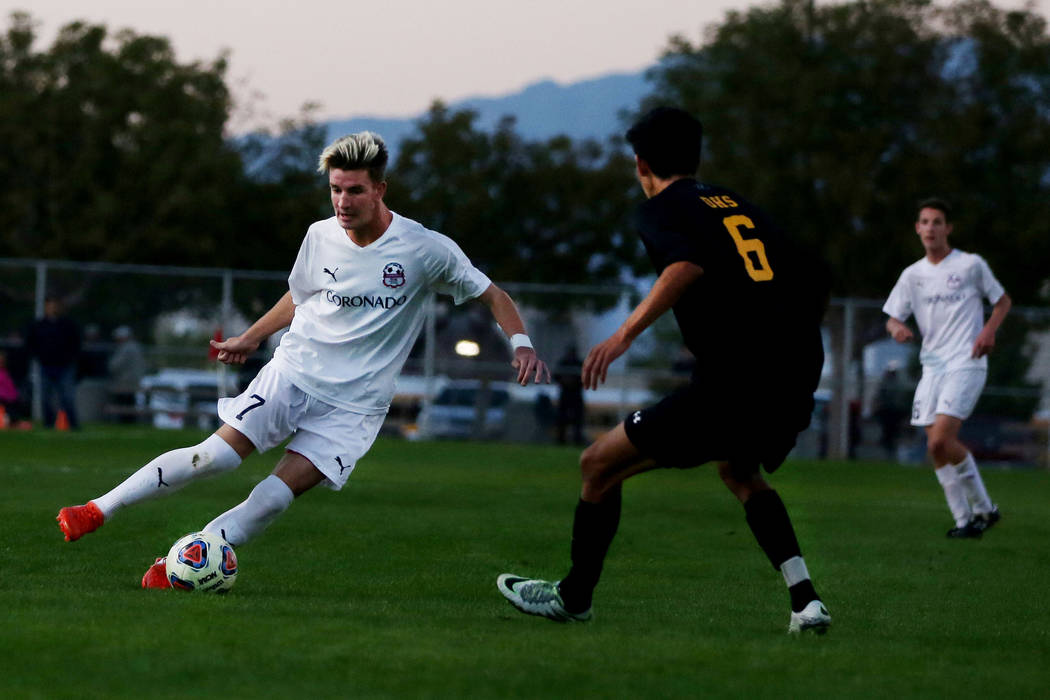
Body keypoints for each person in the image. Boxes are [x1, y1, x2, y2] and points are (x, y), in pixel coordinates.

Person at [56, 131, 551, 589]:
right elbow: (299, 296)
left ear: (380, 189)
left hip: (356, 407)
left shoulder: (425, 249)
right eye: (335, 189)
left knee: (273, 498)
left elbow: (494, 295)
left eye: (354, 190)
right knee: (213, 457)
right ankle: (96, 509)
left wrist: (521, 344)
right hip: (293, 375)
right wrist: (251, 337)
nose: (342, 202)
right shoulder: (320, 236)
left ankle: (181, 562)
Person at [497, 107, 831, 634]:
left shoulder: (660, 209)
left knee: (596, 465)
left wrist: (622, 335)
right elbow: (813, 275)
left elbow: (685, 265)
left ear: (641, 163)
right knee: (739, 470)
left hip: (736, 378)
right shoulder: (738, 204)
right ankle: (805, 600)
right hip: (796, 368)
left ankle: (574, 597)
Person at [883, 198, 1010, 539]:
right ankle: (966, 519)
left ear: (948, 228)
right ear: (917, 228)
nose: (931, 228)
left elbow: (1002, 301)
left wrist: (988, 331)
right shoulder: (913, 275)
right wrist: (896, 328)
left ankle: (982, 509)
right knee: (935, 447)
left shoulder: (970, 265)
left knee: (941, 439)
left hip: (966, 362)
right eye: (925, 222)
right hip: (933, 367)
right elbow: (893, 316)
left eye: (937, 222)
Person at [26, 296, 81, 429]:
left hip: (65, 366)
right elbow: (31, 343)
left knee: (67, 397)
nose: (52, 308)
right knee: (45, 397)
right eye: (49, 306)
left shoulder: (67, 325)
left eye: (54, 305)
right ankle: (48, 423)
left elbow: (76, 343)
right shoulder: (39, 325)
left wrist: (70, 358)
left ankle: (73, 424)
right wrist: (40, 357)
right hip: (46, 365)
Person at [107, 326, 148, 422]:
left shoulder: (126, 348)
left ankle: (125, 421)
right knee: (130, 401)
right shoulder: (136, 347)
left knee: (124, 402)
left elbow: (115, 365)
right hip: (134, 379)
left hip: (125, 380)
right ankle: (130, 420)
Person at [874, 363, 908, 459]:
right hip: (887, 412)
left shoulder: (898, 385)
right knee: (888, 433)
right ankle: (887, 449)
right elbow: (879, 398)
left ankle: (891, 451)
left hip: (894, 413)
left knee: (892, 433)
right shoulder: (884, 384)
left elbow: (901, 400)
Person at [553, 345, 585, 445]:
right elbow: (556, 376)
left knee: (577, 419)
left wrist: (574, 382)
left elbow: (585, 377)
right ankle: (560, 440)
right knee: (562, 418)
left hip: (576, 394)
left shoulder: (579, 364)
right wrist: (564, 381)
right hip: (565, 394)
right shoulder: (563, 363)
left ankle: (577, 440)